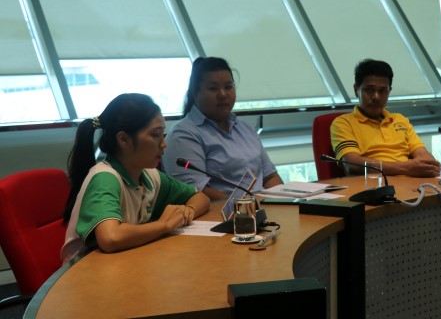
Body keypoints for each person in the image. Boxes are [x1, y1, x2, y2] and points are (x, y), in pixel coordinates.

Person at [62, 93, 210, 264]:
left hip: (121, 264)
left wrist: (187, 211)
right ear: (124, 140)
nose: (164, 144)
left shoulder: (148, 175)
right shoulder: (105, 178)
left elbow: (200, 197)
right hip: (83, 273)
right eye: (155, 135)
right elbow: (110, 238)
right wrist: (164, 225)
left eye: (163, 134)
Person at [162, 57, 283, 201]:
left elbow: (270, 176)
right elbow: (197, 191)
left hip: (261, 209)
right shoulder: (183, 134)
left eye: (228, 87)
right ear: (195, 93)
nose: (223, 94)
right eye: (213, 88)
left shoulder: (246, 129)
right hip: (223, 212)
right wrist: (247, 206)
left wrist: (282, 202)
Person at [330, 59, 441, 177]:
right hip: (373, 185)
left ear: (389, 91)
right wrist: (407, 168)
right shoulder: (343, 123)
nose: (376, 97)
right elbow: (352, 164)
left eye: (382, 91)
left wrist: (428, 165)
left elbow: (422, 154)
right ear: (356, 90)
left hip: (410, 183)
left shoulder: (400, 120)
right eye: (369, 90)